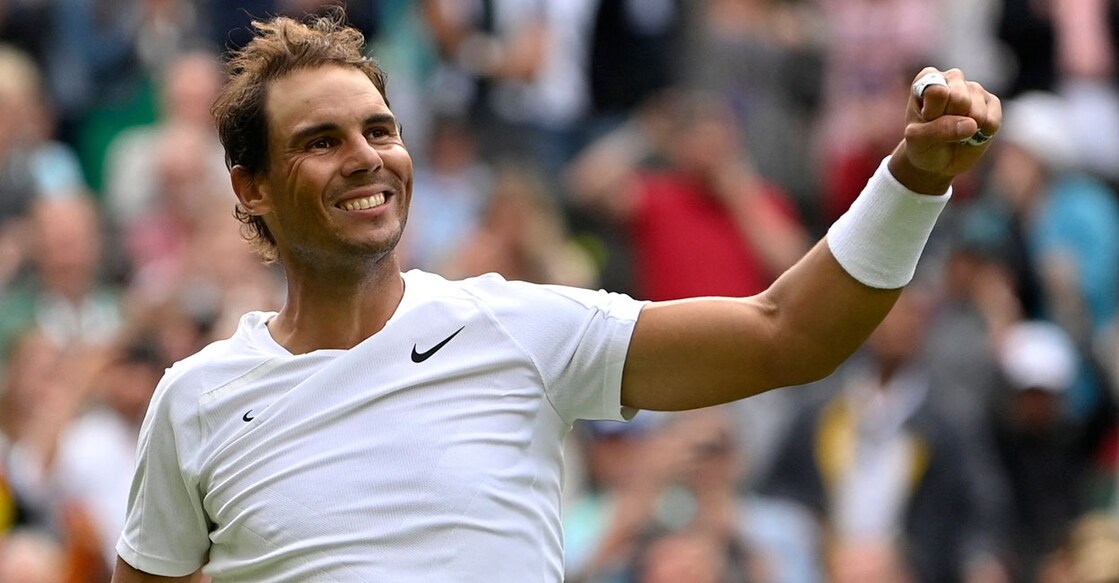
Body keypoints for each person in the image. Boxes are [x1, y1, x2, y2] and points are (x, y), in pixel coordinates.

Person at [111, 9, 1001, 582]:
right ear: (251, 186)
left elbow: (787, 334)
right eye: (320, 139)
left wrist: (912, 177)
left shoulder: (516, 326)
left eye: (380, 128)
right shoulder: (196, 399)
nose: (366, 156)